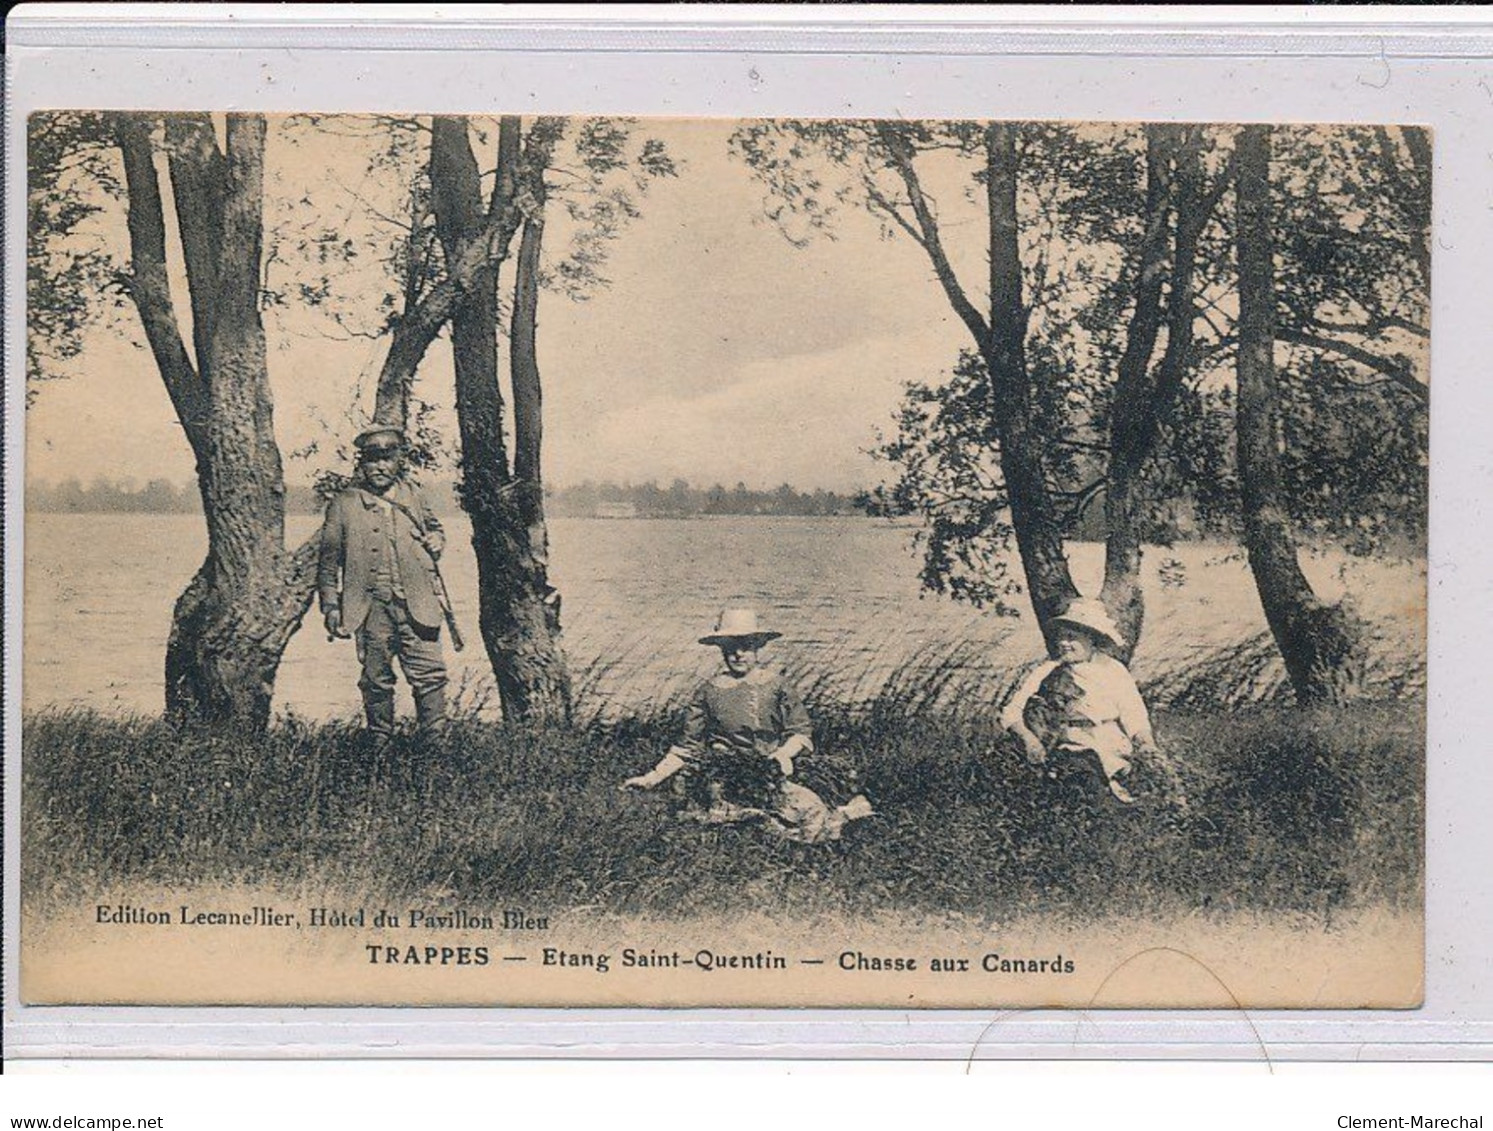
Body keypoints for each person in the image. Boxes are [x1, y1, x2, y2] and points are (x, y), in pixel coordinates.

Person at [622, 609, 873, 844]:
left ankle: (806, 849)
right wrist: (651, 779)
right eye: (731, 648)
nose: (738, 655)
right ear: (721, 650)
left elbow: (800, 731)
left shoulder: (777, 685)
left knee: (810, 810)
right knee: (729, 820)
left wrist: (784, 753)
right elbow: (687, 747)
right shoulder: (709, 691)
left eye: (745, 647)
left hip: (772, 769)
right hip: (726, 773)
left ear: (757, 648)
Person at [318, 425, 449, 742]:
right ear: (361, 464)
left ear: (399, 461)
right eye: (372, 460)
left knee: (430, 675)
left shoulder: (414, 496)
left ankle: (437, 754)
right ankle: (379, 751)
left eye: (387, 459)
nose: (379, 467)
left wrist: (437, 540)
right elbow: (328, 561)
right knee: (376, 680)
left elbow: (436, 530)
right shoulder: (344, 504)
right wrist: (331, 607)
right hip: (370, 609)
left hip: (418, 605)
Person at [1000, 597, 1178, 807]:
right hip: (1071, 744)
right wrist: (1029, 740)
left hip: (1113, 743)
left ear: (1091, 639)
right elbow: (1010, 712)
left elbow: (1134, 716)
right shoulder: (1046, 671)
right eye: (1061, 637)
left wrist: (1146, 745)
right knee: (1085, 787)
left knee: (1160, 785)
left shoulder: (1113, 670)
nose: (1064, 643)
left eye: (1071, 637)